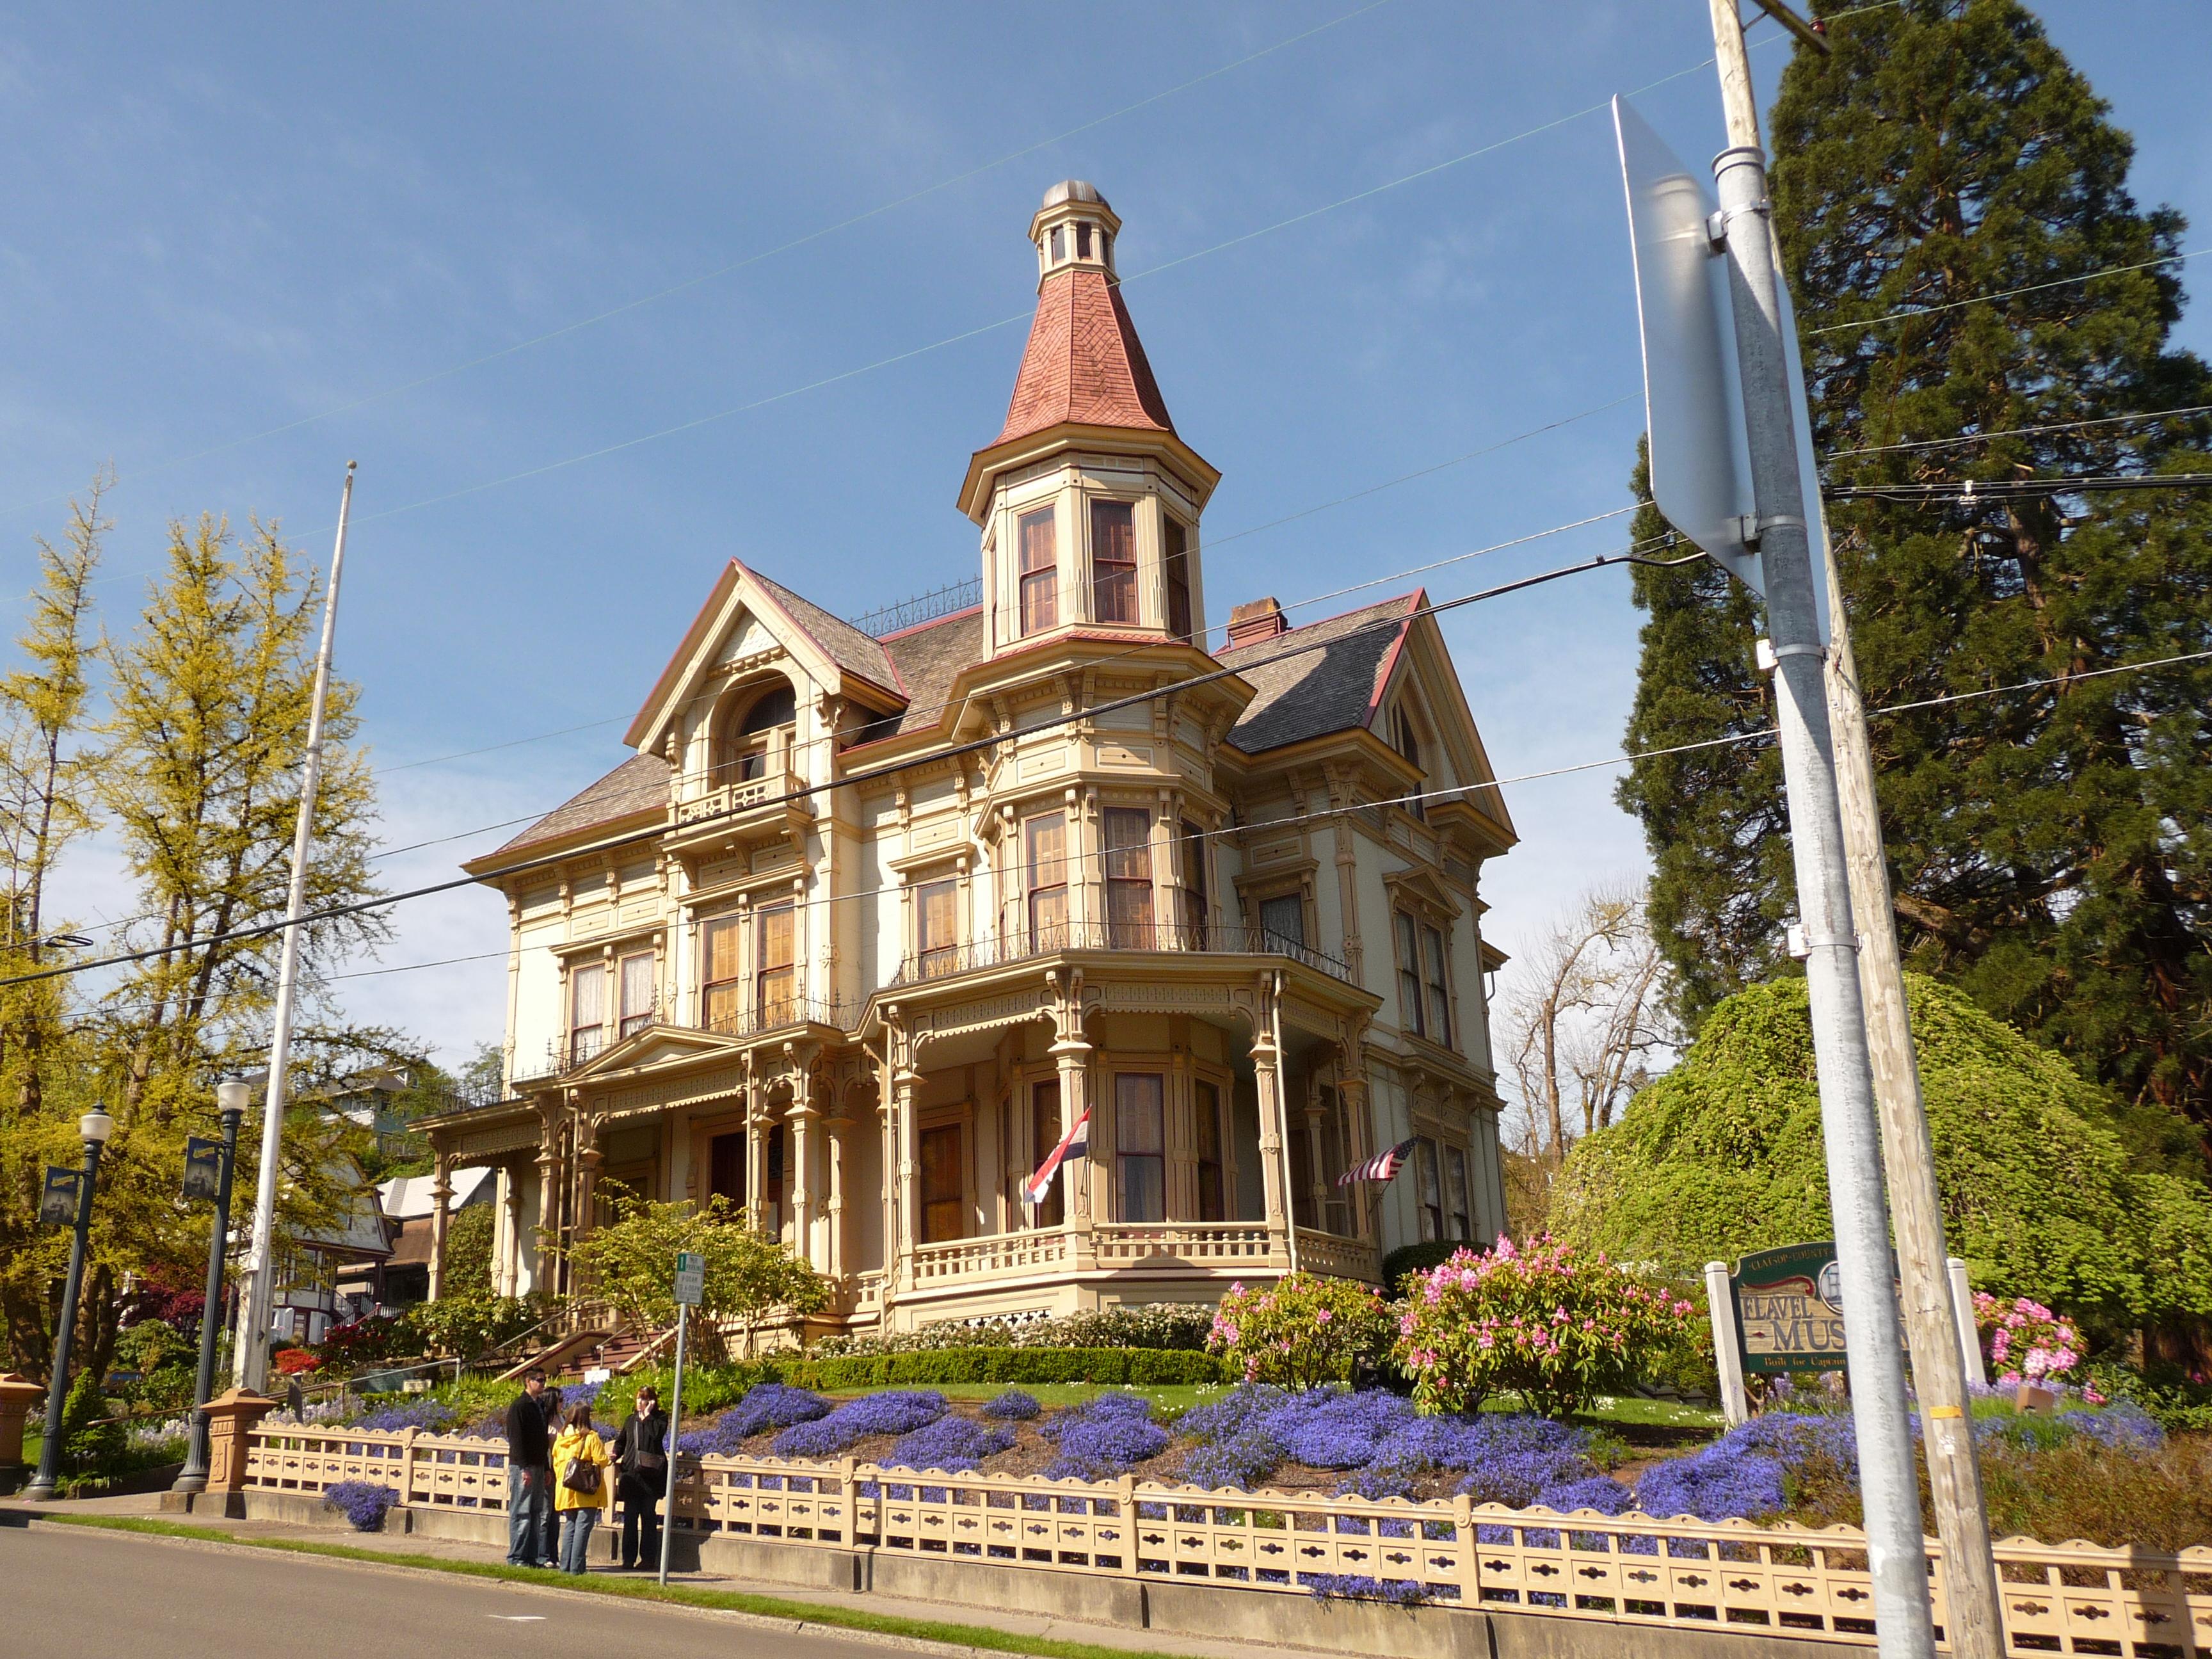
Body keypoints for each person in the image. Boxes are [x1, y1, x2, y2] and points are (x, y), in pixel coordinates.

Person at [611, 1385, 671, 1570]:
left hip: (651, 1476)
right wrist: (615, 1453)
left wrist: (647, 1415)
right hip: (631, 1475)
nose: (639, 1402)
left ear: (651, 1402)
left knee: (648, 1517)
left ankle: (647, 1559)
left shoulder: (659, 1418)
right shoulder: (630, 1420)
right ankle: (628, 1558)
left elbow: (656, 1436)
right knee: (630, 1517)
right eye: (638, 1399)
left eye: (644, 1399)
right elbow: (622, 1441)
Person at [504, 1370, 557, 1569]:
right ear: (528, 1382)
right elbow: (516, 1440)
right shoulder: (520, 1406)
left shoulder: (540, 1406)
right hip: (522, 1466)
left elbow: (542, 1440)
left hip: (538, 1464)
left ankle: (532, 1557)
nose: (543, 1384)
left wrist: (546, 1468)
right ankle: (517, 1557)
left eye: (545, 1380)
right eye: (539, 1380)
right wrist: (524, 1468)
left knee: (536, 1511)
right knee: (522, 1512)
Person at [552, 1400, 613, 1575]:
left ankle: (565, 1566)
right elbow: (601, 1460)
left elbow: (556, 1462)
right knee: (583, 1528)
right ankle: (577, 1568)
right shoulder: (591, 1437)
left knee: (570, 1527)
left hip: (566, 1488)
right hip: (585, 1490)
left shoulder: (561, 1437)